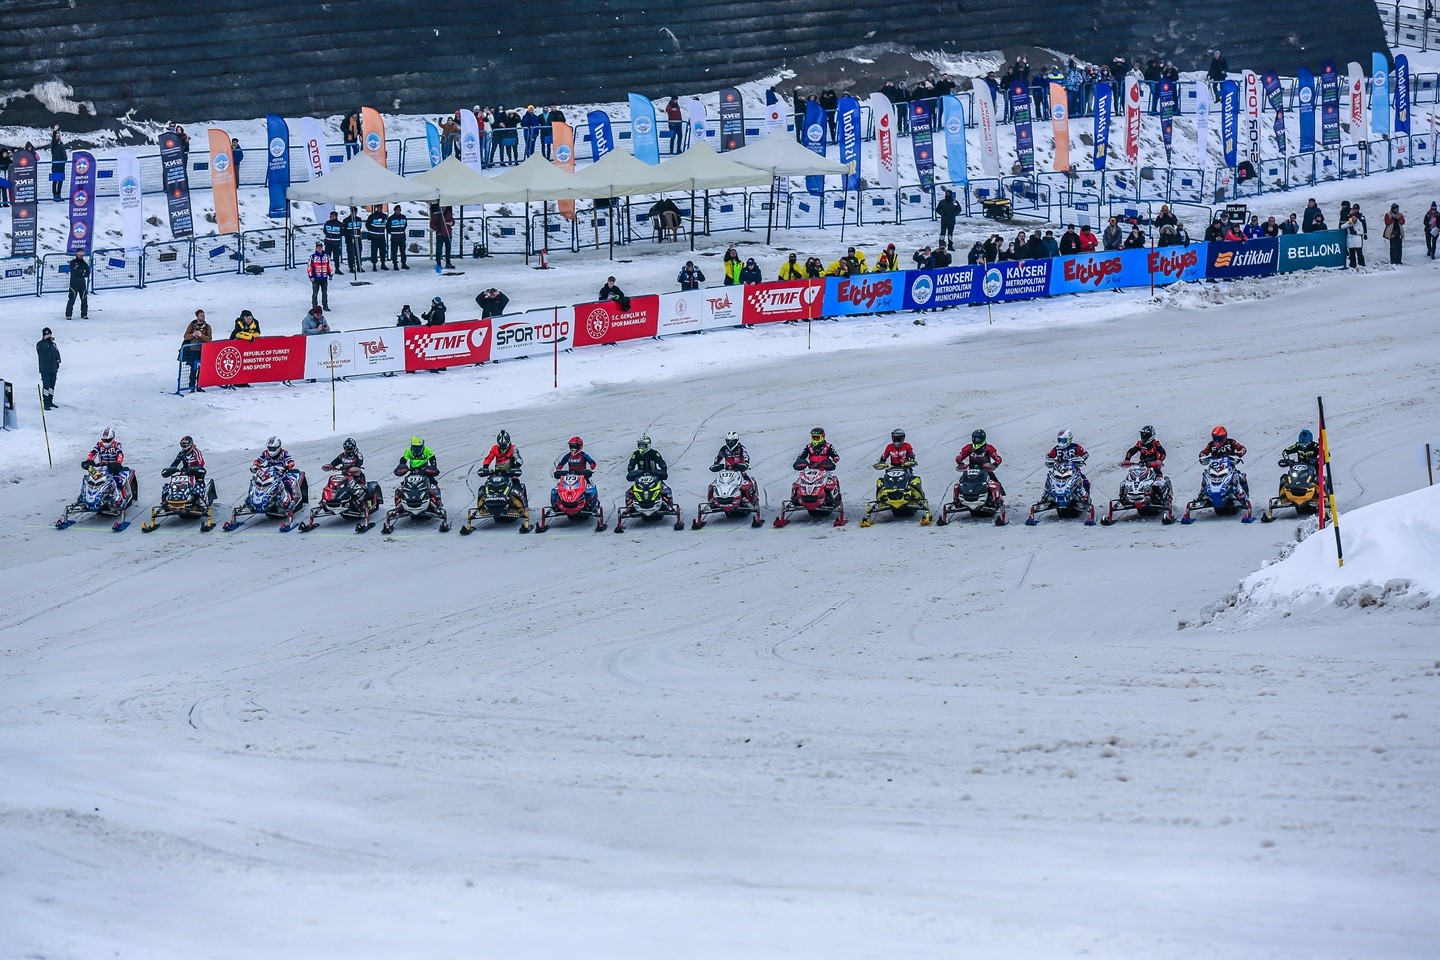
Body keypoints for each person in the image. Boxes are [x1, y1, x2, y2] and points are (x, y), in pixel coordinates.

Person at [394, 436, 442, 506]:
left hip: (425, 471)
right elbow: (403, 459)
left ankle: (437, 502)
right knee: (403, 485)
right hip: (412, 471)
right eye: (415, 447)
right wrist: (402, 466)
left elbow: (432, 459)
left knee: (434, 484)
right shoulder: (408, 450)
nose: (416, 449)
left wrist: (433, 468)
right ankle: (400, 503)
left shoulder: (427, 450)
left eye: (418, 447)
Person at [553, 436, 599, 508]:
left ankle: (589, 503)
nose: (572, 449)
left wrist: (591, 468)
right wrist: (558, 469)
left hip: (582, 475)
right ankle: (558, 503)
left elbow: (592, 462)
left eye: (574, 446)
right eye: (571, 446)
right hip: (570, 476)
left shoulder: (583, 455)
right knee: (556, 489)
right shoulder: (568, 455)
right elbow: (561, 463)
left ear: (579, 446)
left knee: (590, 489)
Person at [482, 429, 526, 503]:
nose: (502, 448)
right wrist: (485, 467)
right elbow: (489, 458)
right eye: (501, 446)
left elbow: (519, 459)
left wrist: (515, 467)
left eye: (504, 446)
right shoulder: (494, 448)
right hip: (497, 473)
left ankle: (521, 504)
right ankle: (485, 503)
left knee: (516, 484)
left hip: (510, 472)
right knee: (488, 484)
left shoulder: (513, 448)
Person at [956, 428, 1004, 494]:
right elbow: (960, 456)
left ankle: (998, 496)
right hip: (971, 470)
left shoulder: (988, 448)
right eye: (974, 438)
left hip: (986, 470)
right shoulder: (968, 447)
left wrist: (994, 464)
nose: (975, 440)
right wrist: (960, 462)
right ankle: (958, 498)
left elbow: (998, 458)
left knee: (995, 482)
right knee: (960, 484)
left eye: (977, 439)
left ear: (982, 439)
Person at [161, 435, 207, 503]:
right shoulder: (181, 453)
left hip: (196, 472)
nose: (184, 445)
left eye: (185, 444)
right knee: (174, 484)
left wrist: (197, 468)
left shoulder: (196, 451)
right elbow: (175, 462)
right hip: (185, 472)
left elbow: (201, 462)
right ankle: (168, 499)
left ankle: (199, 500)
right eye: (182, 444)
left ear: (190, 443)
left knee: (198, 484)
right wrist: (172, 469)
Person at [625, 435, 673, 500]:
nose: (641, 447)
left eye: (643, 445)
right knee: (629, 493)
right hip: (640, 477)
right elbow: (631, 466)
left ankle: (668, 503)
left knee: (666, 491)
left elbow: (662, 464)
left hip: (654, 476)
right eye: (640, 445)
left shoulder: (654, 453)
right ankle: (632, 504)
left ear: (648, 445)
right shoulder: (636, 454)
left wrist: (662, 472)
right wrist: (633, 473)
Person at [85, 427, 129, 497]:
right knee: (89, 478)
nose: (105, 442)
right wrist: (89, 460)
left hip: (114, 467)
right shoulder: (99, 444)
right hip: (101, 467)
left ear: (112, 438)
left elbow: (119, 454)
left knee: (118, 479)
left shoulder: (117, 444)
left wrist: (118, 463)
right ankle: (86, 494)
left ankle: (123, 495)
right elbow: (93, 452)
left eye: (108, 440)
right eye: (104, 440)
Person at [1046, 428, 1090, 495]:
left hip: (1074, 471)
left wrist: (1081, 459)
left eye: (1063, 441)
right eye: (1059, 440)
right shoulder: (1056, 448)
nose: (1061, 443)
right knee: (1049, 481)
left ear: (1069, 439)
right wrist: (1051, 461)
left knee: (1086, 482)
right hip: (1059, 471)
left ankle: (1086, 498)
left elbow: (1085, 454)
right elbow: (1048, 456)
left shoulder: (1075, 447)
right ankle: (1046, 496)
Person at [182, 309, 212, 392]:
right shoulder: (192, 325)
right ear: (197, 316)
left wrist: (201, 335)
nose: (203, 317)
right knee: (193, 369)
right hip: (193, 350)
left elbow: (209, 339)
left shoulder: (207, 326)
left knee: (201, 369)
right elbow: (185, 336)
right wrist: (193, 334)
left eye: (204, 315)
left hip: (203, 350)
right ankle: (192, 386)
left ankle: (199, 386)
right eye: (201, 315)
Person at [36, 327, 61, 410]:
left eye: (49, 334)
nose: (48, 336)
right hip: (45, 369)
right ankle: (46, 403)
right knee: (46, 386)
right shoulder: (40, 344)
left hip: (53, 369)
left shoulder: (53, 344)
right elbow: (42, 352)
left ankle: (50, 401)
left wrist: (58, 362)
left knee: (51, 386)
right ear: (43, 335)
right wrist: (48, 343)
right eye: (46, 334)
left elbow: (57, 353)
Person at [307, 241, 332, 310]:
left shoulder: (326, 256)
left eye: (320, 247)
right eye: (318, 247)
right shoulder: (312, 257)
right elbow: (309, 267)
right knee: (315, 293)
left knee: (325, 293)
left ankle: (325, 305)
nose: (319, 249)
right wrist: (311, 276)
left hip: (324, 278)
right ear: (316, 248)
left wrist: (330, 274)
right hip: (315, 278)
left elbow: (329, 266)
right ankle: (314, 305)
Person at [64, 252, 90, 320]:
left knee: (84, 299)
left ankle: (84, 314)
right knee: (71, 299)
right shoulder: (73, 262)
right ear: (76, 254)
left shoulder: (84, 263)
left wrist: (84, 274)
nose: (80, 255)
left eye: (82, 253)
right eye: (79, 253)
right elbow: (74, 271)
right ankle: (68, 315)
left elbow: (88, 271)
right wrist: (80, 272)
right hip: (74, 284)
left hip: (82, 284)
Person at [430, 204, 455, 269]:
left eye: (445, 206)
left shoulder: (448, 213)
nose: (444, 207)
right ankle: (438, 263)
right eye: (442, 206)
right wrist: (438, 229)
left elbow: (453, 221)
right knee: (439, 249)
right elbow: (432, 224)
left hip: (448, 233)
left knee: (448, 248)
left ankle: (448, 263)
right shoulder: (436, 213)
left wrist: (451, 223)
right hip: (440, 234)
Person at [343, 207, 366, 274]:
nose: (354, 213)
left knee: (358, 252)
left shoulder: (359, 219)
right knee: (351, 253)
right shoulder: (346, 220)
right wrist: (348, 236)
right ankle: (351, 267)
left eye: (355, 212)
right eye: (353, 212)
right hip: (350, 240)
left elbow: (359, 228)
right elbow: (344, 231)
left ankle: (359, 266)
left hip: (358, 239)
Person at [387, 204, 409, 269]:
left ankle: (403, 264)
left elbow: (405, 225)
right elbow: (388, 228)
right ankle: (395, 264)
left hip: (402, 237)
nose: (398, 211)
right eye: (397, 210)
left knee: (403, 251)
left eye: (399, 210)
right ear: (395, 210)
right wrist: (392, 233)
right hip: (394, 238)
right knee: (394, 252)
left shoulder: (403, 217)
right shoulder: (391, 218)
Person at [49, 126, 66, 202]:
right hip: (55, 165)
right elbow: (53, 139)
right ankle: (55, 195)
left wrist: (65, 160)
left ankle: (59, 194)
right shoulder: (53, 145)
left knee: (60, 181)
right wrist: (54, 131)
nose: (58, 137)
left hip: (62, 166)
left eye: (59, 136)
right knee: (55, 180)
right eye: (57, 136)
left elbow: (64, 155)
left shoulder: (61, 145)